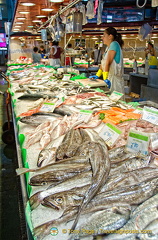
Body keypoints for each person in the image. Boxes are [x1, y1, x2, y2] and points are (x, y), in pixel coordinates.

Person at [89, 27, 124, 95]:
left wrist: (105, 79)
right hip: (110, 78)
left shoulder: (114, 44)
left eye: (104, 35)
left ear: (110, 36)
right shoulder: (108, 47)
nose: (102, 38)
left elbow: (108, 62)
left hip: (115, 81)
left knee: (116, 102)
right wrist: (98, 75)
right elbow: (104, 63)